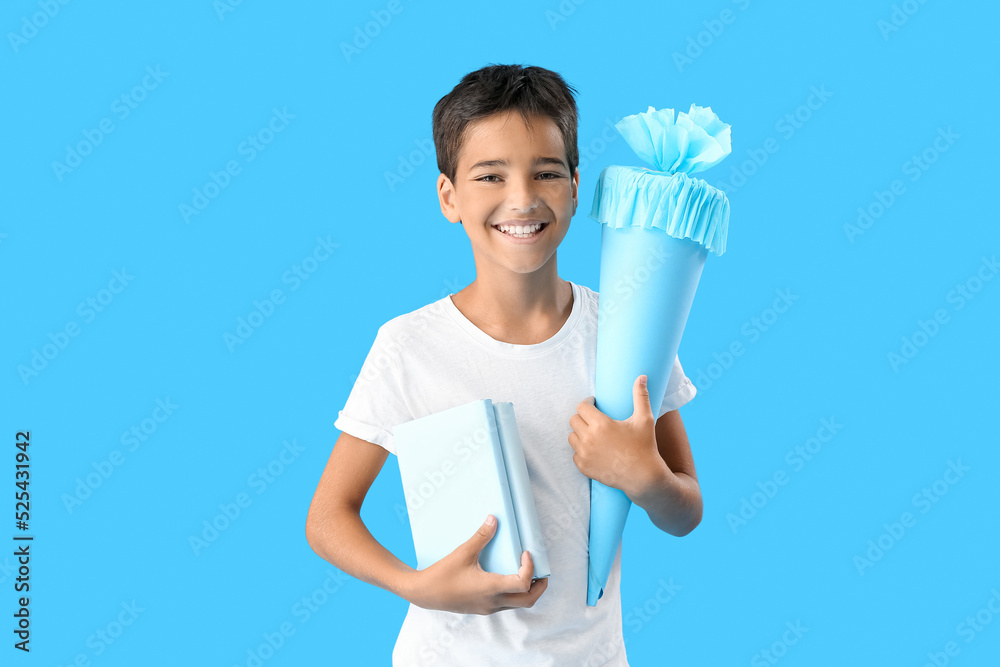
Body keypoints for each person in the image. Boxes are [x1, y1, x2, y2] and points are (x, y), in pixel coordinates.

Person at [305, 63, 703, 666]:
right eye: (490, 176)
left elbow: (685, 512)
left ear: (574, 186)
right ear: (449, 197)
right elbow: (328, 517)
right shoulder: (409, 345)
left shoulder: (627, 334)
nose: (521, 199)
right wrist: (416, 585)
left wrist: (646, 479)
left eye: (545, 173)